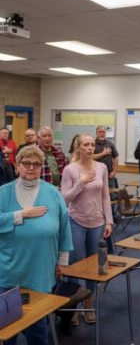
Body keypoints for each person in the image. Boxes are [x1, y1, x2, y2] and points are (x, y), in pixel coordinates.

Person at [0, 147, 73, 345]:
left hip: (42, 269)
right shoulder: (3, 193)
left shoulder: (53, 193)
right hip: (10, 269)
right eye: (26, 163)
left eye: (36, 164)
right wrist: (20, 214)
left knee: (38, 328)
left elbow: (65, 228)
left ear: (42, 167)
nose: (31, 168)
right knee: (7, 327)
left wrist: (63, 261)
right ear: (17, 166)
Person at [61, 133, 113, 325]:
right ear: (78, 147)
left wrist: (109, 221)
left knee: (93, 265)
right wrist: (81, 183)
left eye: (92, 145)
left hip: (97, 222)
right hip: (75, 221)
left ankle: (88, 303)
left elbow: (106, 195)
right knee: (75, 264)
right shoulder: (70, 170)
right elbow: (64, 199)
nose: (91, 148)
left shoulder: (102, 167)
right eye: (86, 145)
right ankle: (72, 305)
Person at [92, 126, 119, 213]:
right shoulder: (92, 144)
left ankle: (112, 215)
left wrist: (114, 171)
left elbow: (116, 158)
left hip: (109, 175)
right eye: (100, 132)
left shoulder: (110, 144)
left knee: (110, 196)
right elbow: (90, 157)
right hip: (95, 176)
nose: (102, 133)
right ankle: (99, 214)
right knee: (96, 195)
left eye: (103, 132)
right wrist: (103, 153)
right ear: (96, 133)